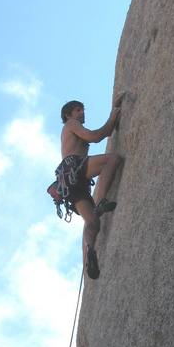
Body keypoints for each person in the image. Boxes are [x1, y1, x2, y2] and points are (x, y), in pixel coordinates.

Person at [48, 94, 124, 279]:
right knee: (113, 159)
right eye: (78, 110)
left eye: (83, 110)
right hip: (73, 167)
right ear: (68, 115)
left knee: (92, 222)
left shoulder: (70, 128)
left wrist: (113, 117)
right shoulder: (71, 125)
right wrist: (113, 115)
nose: (82, 113)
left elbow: (104, 133)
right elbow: (96, 136)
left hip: (68, 183)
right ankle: (102, 200)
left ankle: (90, 250)